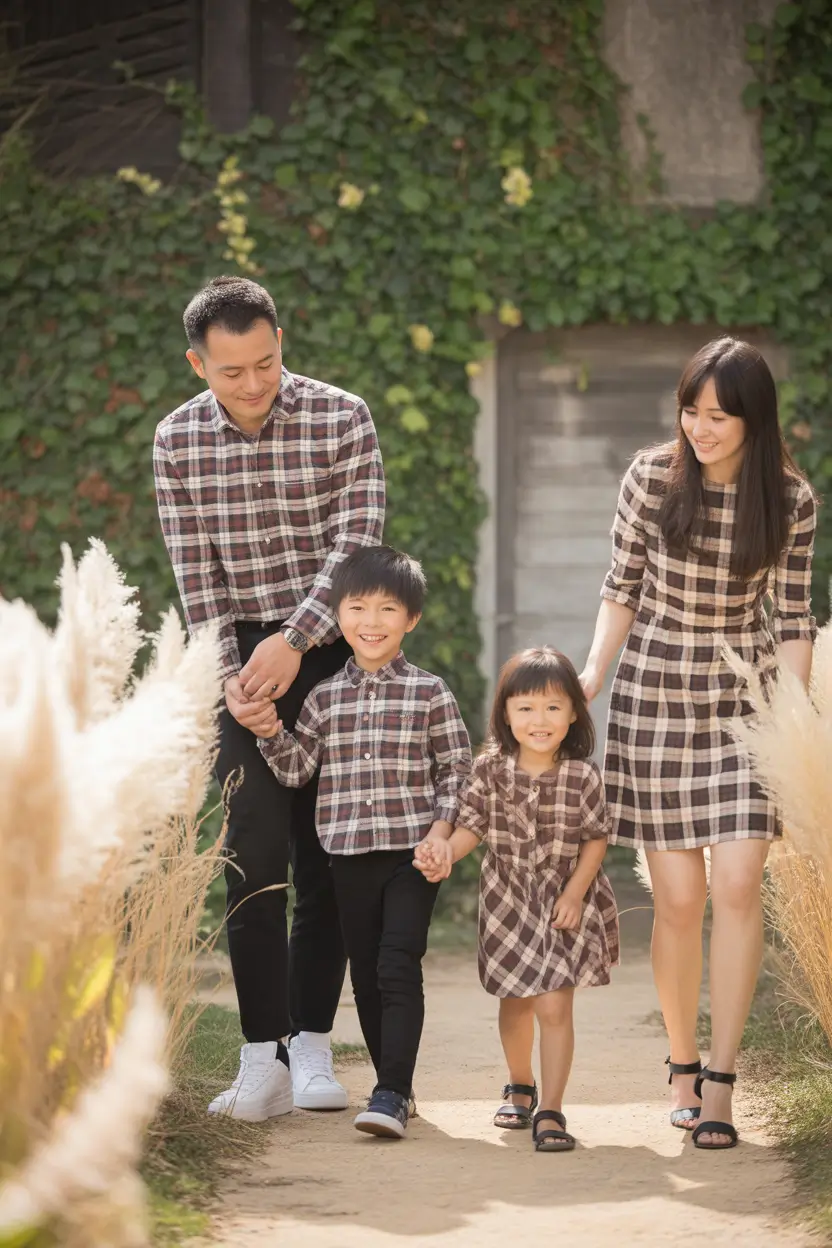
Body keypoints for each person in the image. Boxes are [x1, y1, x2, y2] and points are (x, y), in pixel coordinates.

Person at [153, 275, 385, 1120]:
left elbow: (359, 543)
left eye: (267, 363)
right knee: (252, 854)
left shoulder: (341, 415)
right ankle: (262, 1058)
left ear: (283, 341)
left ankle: (315, 1048)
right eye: (232, 372)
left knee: (326, 848)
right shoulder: (176, 440)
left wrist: (297, 641)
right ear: (197, 364)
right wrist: (236, 678)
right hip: (238, 660)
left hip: (334, 645)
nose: (255, 384)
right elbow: (195, 575)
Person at [580, 337, 817, 1150]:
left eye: (719, 416)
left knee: (741, 881)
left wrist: (793, 713)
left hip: (738, 694)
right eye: (691, 410)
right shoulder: (651, 476)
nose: (700, 427)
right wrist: (591, 674)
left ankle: (721, 1078)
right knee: (680, 901)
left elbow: (791, 619)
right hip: (651, 688)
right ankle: (680, 1063)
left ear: (754, 419)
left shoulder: (789, 499)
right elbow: (621, 587)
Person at [256, 545, 472, 1139]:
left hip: (411, 855)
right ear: (337, 614)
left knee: (399, 964)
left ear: (411, 620)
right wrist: (271, 730)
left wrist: (440, 833)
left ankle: (391, 1091)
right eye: (358, 608)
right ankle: (392, 1085)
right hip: (346, 855)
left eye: (387, 609)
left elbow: (457, 770)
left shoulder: (430, 692)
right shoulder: (323, 698)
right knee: (368, 975)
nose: (371, 622)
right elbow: (298, 770)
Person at [416, 647, 619, 1153]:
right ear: (505, 713)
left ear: (574, 712)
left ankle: (551, 1109)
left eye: (553, 706)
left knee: (554, 1004)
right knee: (515, 1003)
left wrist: (575, 892)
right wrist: (444, 852)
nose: (540, 719)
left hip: (562, 899)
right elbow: (470, 831)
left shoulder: (584, 775)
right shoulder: (488, 773)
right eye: (525, 707)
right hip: (506, 899)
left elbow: (596, 838)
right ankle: (520, 1083)